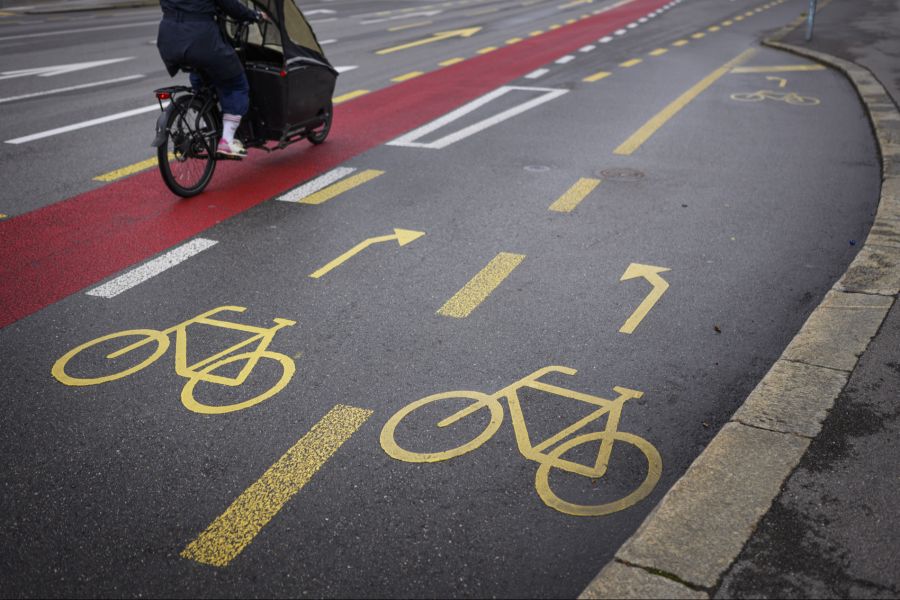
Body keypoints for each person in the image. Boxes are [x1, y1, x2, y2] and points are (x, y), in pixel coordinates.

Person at [156, 0, 263, 157]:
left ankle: (205, 112)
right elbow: (231, 6)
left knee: (200, 70)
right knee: (236, 84)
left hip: (169, 39)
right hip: (200, 38)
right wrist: (255, 15)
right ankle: (227, 140)